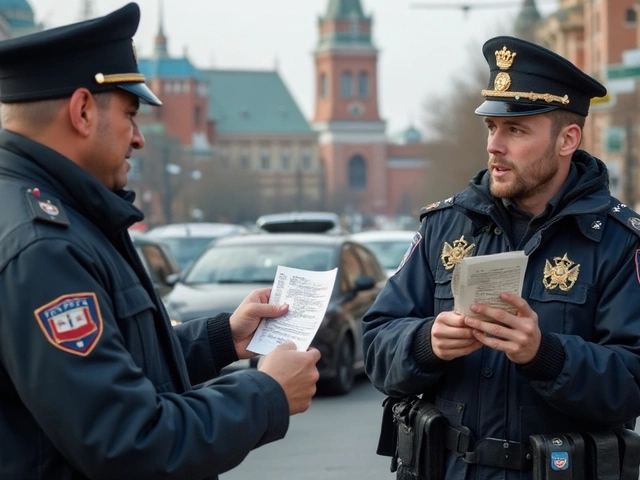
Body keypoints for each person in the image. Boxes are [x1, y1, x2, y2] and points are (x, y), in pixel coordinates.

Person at [0, 4, 321, 480]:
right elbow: (129, 441)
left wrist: (221, 339)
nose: (139, 138)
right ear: (83, 111)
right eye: (130, 114)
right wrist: (266, 393)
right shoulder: (43, 245)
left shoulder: (57, 213)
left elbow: (116, 367)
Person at [363, 35, 640, 479]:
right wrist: (424, 344)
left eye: (516, 129)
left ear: (568, 139)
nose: (495, 145)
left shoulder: (617, 241)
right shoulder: (444, 226)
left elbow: (633, 381)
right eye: (492, 127)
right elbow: (376, 344)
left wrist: (545, 356)